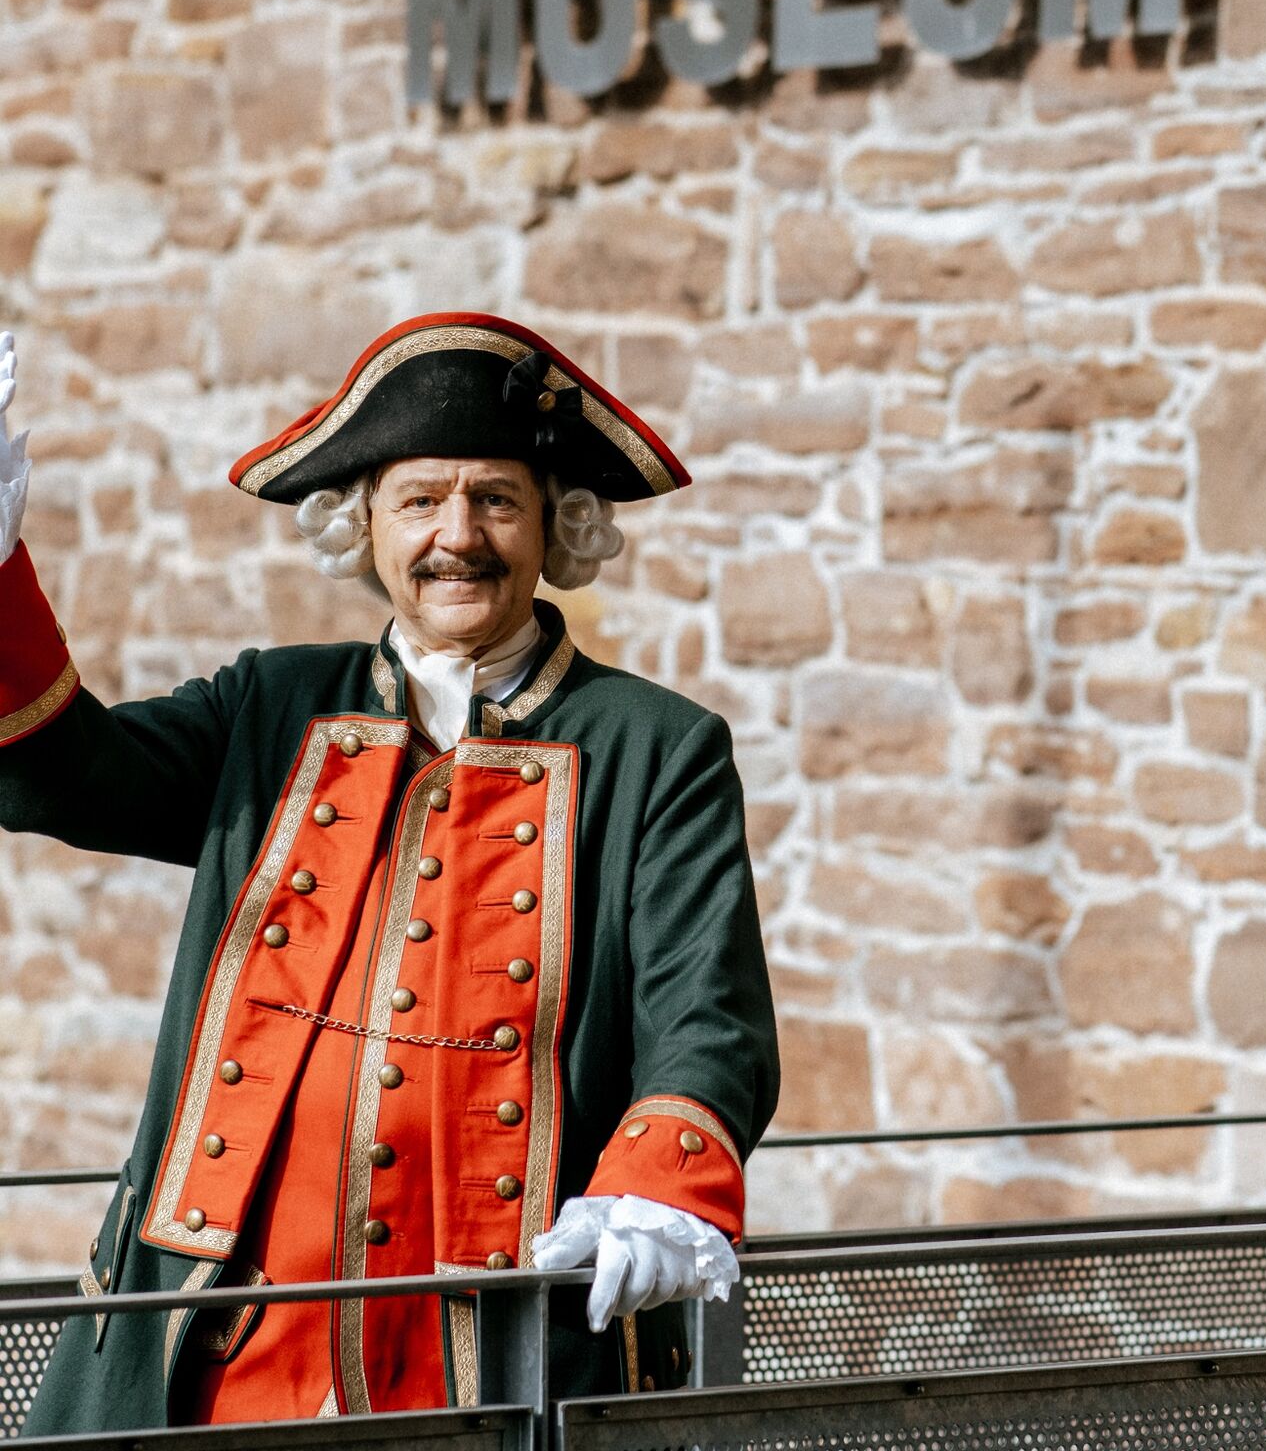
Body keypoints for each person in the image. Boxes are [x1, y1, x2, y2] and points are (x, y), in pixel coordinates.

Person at [0, 313, 779, 1427]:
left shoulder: (658, 747)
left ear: (555, 525)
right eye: (419, 501)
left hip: (492, 1342)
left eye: (495, 499)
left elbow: (706, 1013)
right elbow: (64, 779)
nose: (457, 536)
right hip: (228, 1340)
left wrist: (658, 1181)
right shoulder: (271, 704)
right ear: (363, 523)